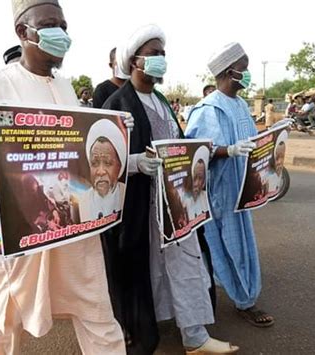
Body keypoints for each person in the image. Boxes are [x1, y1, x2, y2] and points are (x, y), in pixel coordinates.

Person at [0, 1, 129, 353]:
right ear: (23, 32)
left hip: (74, 228)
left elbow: (79, 157)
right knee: (13, 313)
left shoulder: (65, 88)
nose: (61, 34)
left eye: (63, 26)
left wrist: (119, 138)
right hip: (24, 231)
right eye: (51, 25)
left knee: (97, 307)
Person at [102, 24, 239, 354]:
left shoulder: (162, 101)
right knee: (145, 271)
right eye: (153, 55)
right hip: (139, 208)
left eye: (162, 54)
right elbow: (101, 161)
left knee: (186, 263)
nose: (161, 60)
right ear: (134, 61)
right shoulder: (117, 103)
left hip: (174, 203)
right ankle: (146, 333)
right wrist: (135, 162)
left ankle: (195, 336)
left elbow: (178, 146)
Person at [186, 42, 275, 328]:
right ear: (229, 71)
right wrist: (228, 150)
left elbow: (251, 141)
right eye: (244, 70)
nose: (246, 75)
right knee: (226, 247)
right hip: (220, 193)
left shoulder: (239, 105)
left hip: (242, 191)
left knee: (239, 246)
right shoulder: (208, 108)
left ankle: (239, 292)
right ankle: (244, 301)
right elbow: (195, 151)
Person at [79, 119, 127, 222]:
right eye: (94, 163)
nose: (100, 172)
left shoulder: (127, 193)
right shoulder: (81, 202)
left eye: (108, 163)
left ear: (119, 166)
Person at [185, 146, 211, 219]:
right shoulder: (185, 201)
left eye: (200, 178)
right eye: (195, 177)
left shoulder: (207, 200)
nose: (196, 184)